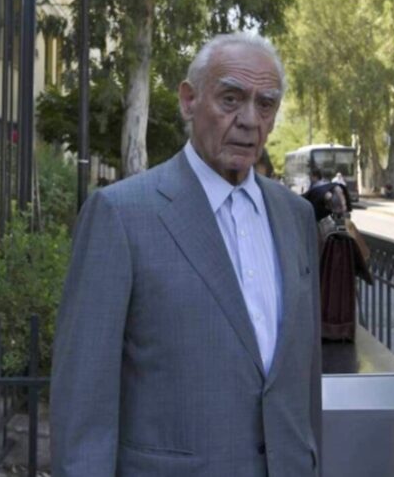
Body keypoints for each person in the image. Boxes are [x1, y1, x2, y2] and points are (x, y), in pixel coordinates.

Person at [51, 33, 322, 477]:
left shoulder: (296, 217)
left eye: (265, 104)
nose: (249, 120)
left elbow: (303, 385)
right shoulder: (121, 215)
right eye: (230, 99)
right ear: (189, 101)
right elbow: (84, 401)